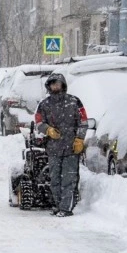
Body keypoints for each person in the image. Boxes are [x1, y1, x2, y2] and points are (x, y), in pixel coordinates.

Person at [34, 73, 88, 217]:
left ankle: (66, 208)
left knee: (69, 179)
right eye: (52, 84)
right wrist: (48, 130)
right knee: (55, 180)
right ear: (49, 86)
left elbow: (83, 122)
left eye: (57, 83)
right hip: (53, 148)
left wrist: (80, 139)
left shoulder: (74, 102)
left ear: (63, 85)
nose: (55, 86)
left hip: (71, 148)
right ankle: (58, 206)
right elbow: (38, 122)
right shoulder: (44, 105)